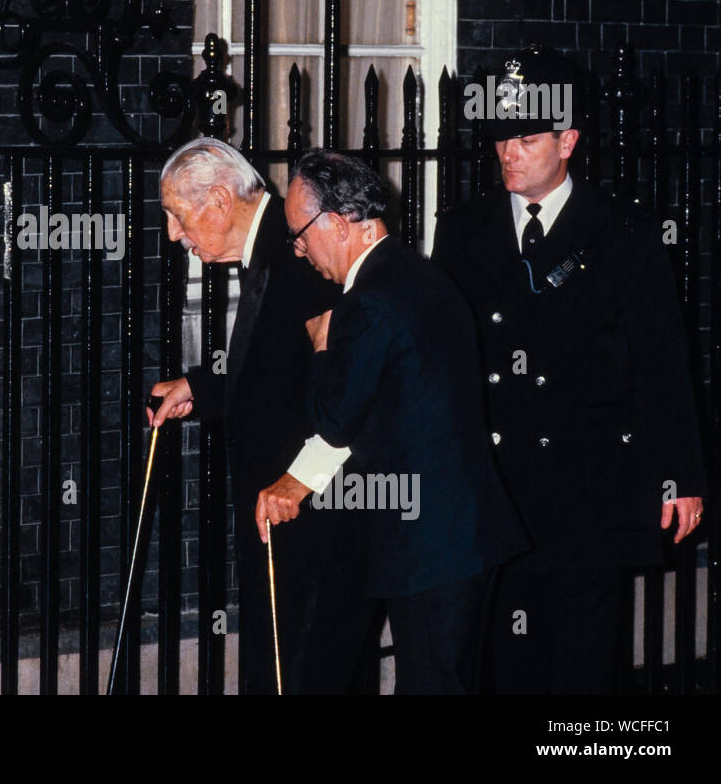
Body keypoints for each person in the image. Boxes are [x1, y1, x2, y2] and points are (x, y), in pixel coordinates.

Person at [430, 45, 707, 694]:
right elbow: (441, 353)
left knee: (580, 663)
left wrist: (679, 474)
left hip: (590, 485)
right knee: (503, 656)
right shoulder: (462, 231)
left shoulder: (624, 233)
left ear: (569, 140)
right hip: (496, 488)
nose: (508, 152)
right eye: (501, 136)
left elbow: (662, 363)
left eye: (526, 137)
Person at [258, 149, 527, 694]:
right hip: (462, 535)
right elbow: (392, 405)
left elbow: (335, 418)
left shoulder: (369, 301)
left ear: (336, 222)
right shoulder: (419, 274)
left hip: (431, 546)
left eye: (299, 234)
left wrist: (321, 347)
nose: (299, 249)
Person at [148, 137, 369, 694]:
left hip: (313, 517)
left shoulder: (297, 251)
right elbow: (283, 376)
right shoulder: (268, 249)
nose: (174, 235)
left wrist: (298, 487)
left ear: (220, 201)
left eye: (178, 215)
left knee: (303, 672)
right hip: (287, 515)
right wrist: (201, 386)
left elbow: (347, 389)